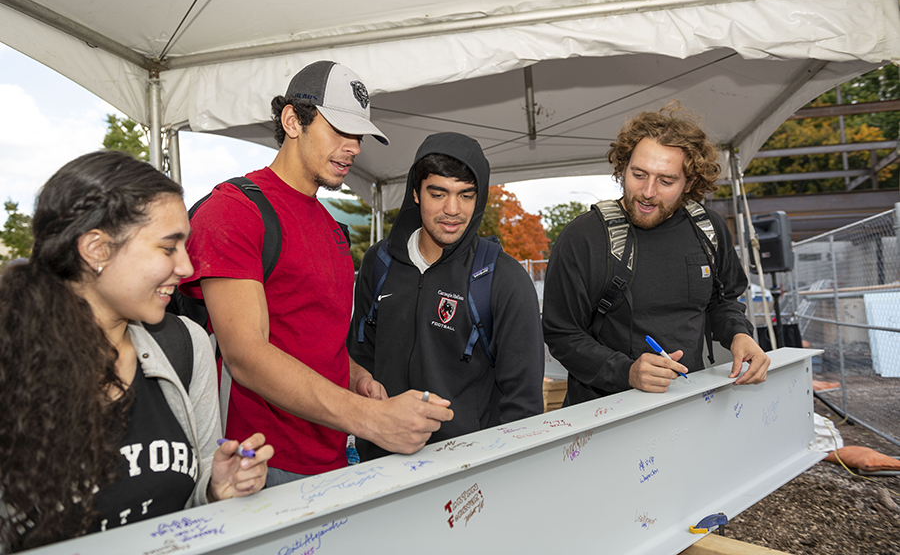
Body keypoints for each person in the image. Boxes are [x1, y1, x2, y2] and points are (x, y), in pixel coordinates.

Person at [180, 60, 454, 485]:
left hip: (333, 458)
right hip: (259, 466)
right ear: (293, 120)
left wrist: (355, 375)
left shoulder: (330, 226)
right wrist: (371, 418)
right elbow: (246, 355)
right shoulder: (235, 210)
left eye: (358, 135)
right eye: (340, 130)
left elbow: (312, 336)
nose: (355, 147)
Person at [0, 151, 272, 552]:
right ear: (97, 249)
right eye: (168, 248)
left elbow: (183, 508)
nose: (186, 267)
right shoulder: (11, 361)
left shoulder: (185, 345)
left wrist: (215, 492)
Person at [542, 105, 770, 405]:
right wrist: (627, 372)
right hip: (605, 414)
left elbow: (723, 301)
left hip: (689, 402)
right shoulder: (583, 238)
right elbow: (562, 333)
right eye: (638, 174)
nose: (648, 191)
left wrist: (739, 335)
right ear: (623, 167)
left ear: (689, 182)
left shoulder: (709, 229)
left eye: (666, 181)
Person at [348, 132, 544, 460]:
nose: (452, 210)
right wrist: (362, 383)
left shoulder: (502, 278)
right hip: (380, 466)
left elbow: (523, 406)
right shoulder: (379, 262)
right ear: (415, 192)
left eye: (465, 196)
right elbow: (359, 355)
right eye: (438, 194)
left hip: (466, 474)